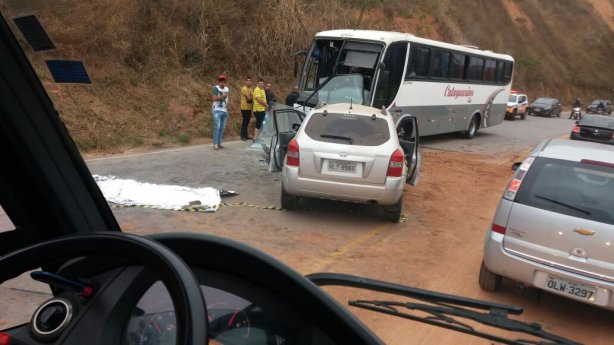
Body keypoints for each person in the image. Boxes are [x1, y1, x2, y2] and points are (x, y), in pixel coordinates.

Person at [211, 74, 229, 150]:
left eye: (223, 81)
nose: (222, 82)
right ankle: (215, 144)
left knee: (222, 128)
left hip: (224, 110)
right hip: (217, 110)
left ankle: (219, 143)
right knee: (217, 127)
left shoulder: (227, 89)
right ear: (219, 82)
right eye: (221, 81)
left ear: (225, 82)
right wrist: (222, 96)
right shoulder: (215, 88)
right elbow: (214, 99)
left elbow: (227, 99)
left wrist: (227, 109)